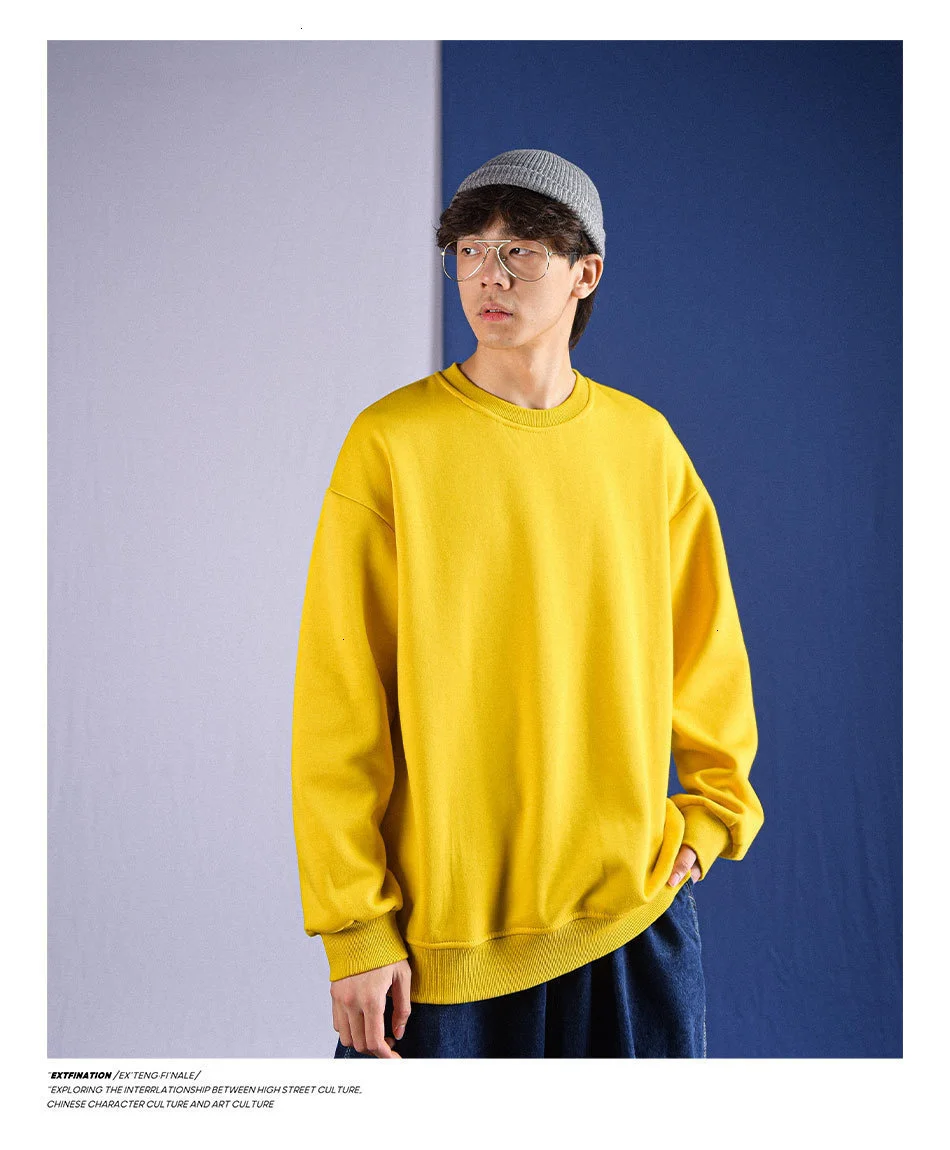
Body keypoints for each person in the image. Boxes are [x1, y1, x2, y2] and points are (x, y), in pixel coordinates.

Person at [290, 148, 764, 1059]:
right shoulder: (390, 444)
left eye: (522, 251)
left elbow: (708, 651)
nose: (489, 276)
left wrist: (712, 812)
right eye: (469, 250)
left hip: (630, 919)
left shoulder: (645, 447)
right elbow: (339, 699)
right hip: (443, 943)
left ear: (586, 274)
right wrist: (354, 924)